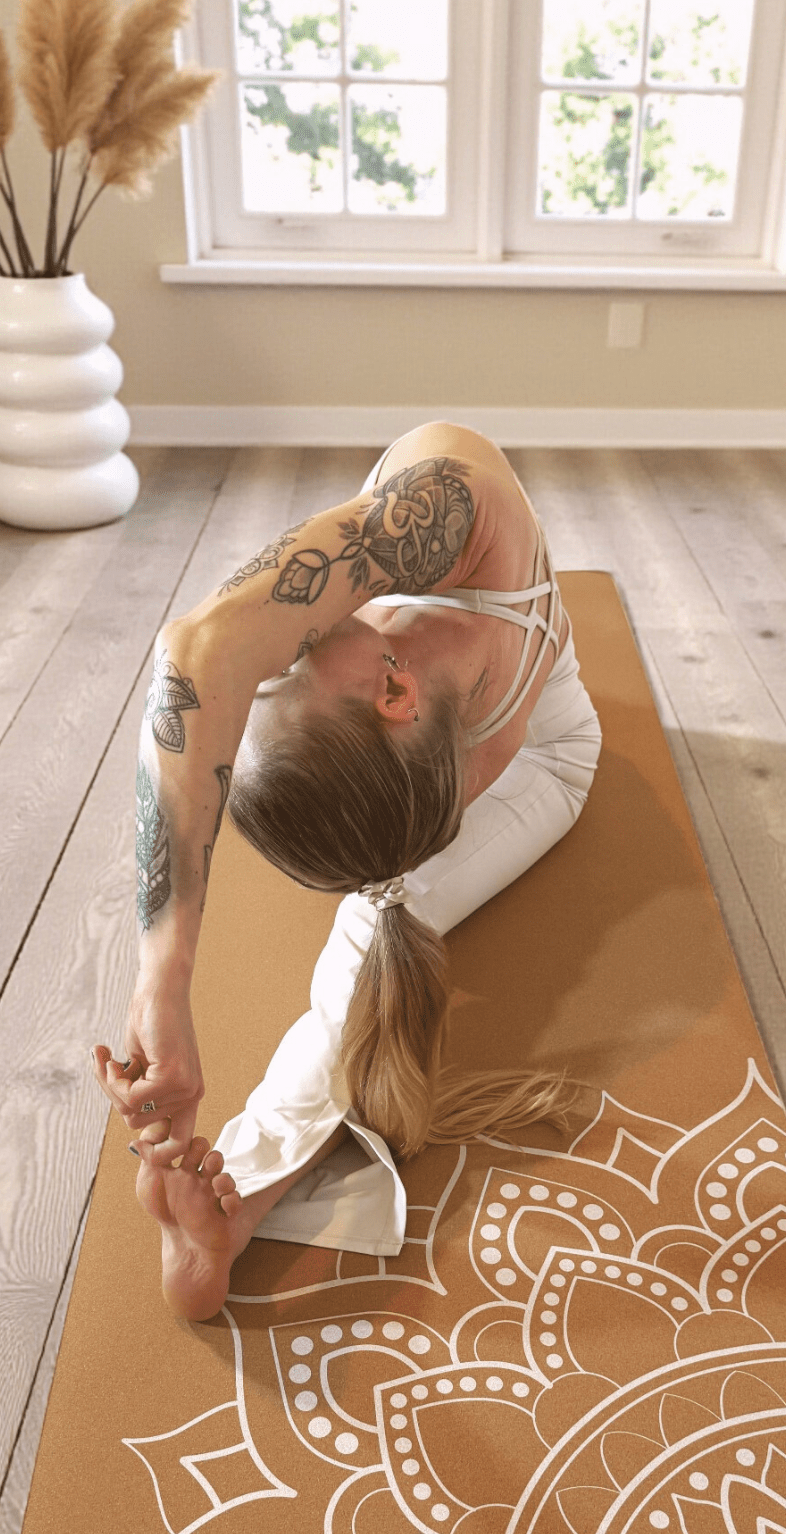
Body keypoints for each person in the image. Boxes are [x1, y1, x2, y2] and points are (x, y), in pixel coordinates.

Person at [91, 422, 602, 1320]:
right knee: (380, 924)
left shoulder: (452, 507)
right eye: (283, 671)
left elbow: (201, 654)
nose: (274, 655)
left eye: (277, 674)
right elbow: (205, 662)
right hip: (521, 756)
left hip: (549, 758)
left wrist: (160, 983)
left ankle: (243, 1195)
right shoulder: (440, 552)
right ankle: (235, 1208)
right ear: (394, 694)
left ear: (395, 694)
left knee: (378, 926)